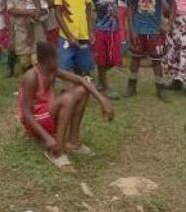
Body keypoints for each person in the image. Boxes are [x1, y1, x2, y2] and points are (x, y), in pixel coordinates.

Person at [17, 41, 115, 171]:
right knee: (67, 99)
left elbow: (81, 80)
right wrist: (47, 138)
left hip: (47, 114)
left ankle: (73, 142)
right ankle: (58, 150)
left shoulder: (53, 71)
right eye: (57, 57)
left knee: (82, 90)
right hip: (34, 120)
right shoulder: (31, 77)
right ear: (48, 60)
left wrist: (102, 99)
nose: (59, 60)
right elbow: (26, 113)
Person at [123, 0, 175, 99]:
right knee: (135, 59)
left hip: (155, 30)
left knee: (157, 61)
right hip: (138, 29)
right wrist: (131, 30)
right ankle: (131, 85)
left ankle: (160, 88)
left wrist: (169, 23)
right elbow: (129, 8)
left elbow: (172, 3)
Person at [54, 0, 95, 77]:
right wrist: (69, 35)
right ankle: (67, 90)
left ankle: (82, 89)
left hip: (83, 34)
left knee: (84, 65)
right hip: (67, 35)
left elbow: (88, 10)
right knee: (65, 64)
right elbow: (58, 13)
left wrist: (90, 31)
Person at [5, 0, 49, 75]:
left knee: (37, 57)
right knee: (25, 61)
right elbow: (11, 10)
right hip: (21, 29)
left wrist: (38, 10)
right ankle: (27, 80)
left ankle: (37, 82)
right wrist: (29, 12)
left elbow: (44, 5)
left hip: (36, 27)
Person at [91, 0, 124, 96]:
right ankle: (105, 86)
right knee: (102, 59)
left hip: (114, 29)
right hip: (100, 29)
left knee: (114, 59)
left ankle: (100, 78)